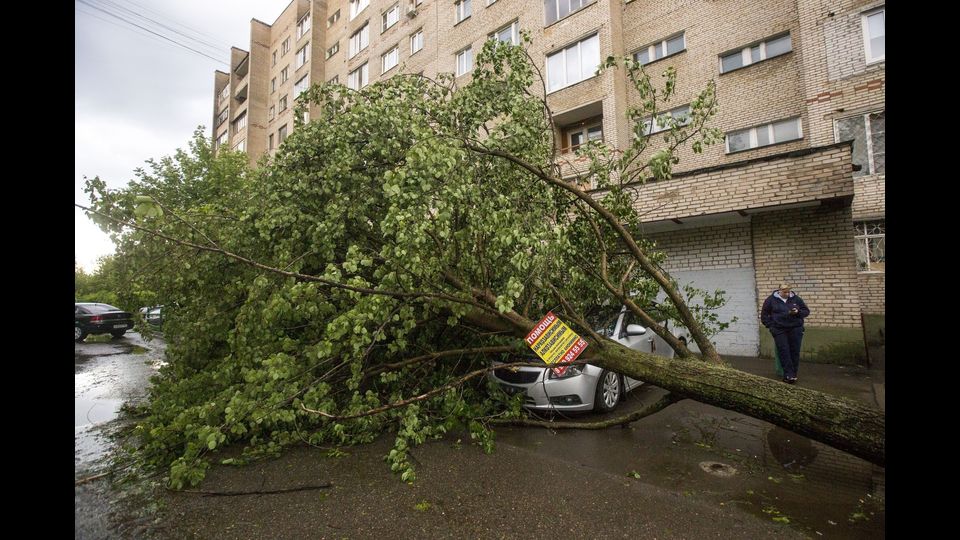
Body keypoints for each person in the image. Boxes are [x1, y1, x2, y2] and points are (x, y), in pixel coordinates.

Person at [760, 283, 810, 384]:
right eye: (785, 292)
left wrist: (798, 312)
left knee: (794, 351)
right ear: (779, 291)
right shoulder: (771, 300)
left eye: (788, 292)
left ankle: (793, 375)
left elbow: (806, 311)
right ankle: (788, 374)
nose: (787, 294)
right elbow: (764, 315)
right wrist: (771, 327)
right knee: (784, 351)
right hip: (779, 329)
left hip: (795, 328)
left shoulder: (796, 299)